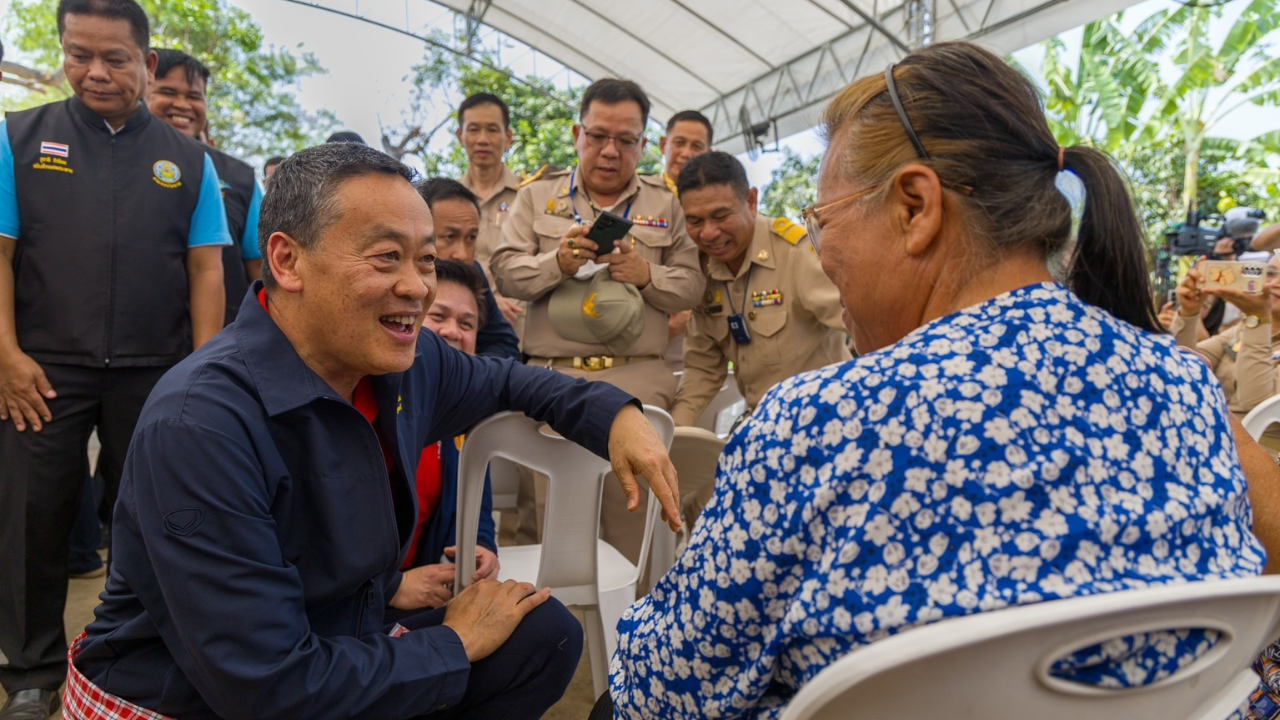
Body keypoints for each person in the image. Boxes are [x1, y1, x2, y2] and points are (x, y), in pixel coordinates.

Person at [608, 41, 1265, 718]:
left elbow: (657, 696)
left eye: (824, 220)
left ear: (915, 206)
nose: (822, 250)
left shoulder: (814, 424)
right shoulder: (1185, 387)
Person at [65, 141, 681, 720]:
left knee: (542, 635)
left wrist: (616, 416)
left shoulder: (403, 360)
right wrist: (453, 643)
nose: (415, 287)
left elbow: (508, 382)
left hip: (333, 640)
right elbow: (263, 683)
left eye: (426, 260)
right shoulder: (199, 424)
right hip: (199, 695)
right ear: (287, 260)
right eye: (386, 257)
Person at [0, 2, 231, 717]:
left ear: (148, 63)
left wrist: (201, 376)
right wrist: (4, 354)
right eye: (79, 55)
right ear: (63, 52)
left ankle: (135, 654)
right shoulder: (18, 139)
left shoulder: (190, 162)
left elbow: (206, 272)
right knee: (32, 519)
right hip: (42, 371)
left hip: (157, 374)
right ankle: (31, 674)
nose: (95, 72)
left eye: (115, 58)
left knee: (157, 517)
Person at [491, 78, 704, 561]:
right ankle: (554, 632)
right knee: (552, 529)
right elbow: (504, 272)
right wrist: (557, 264)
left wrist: (646, 274)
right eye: (598, 136)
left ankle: (633, 623)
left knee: (635, 531)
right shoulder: (535, 196)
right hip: (552, 380)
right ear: (576, 135)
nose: (610, 151)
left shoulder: (665, 205)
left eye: (626, 140)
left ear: (644, 144)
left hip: (639, 380)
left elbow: (694, 284)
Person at [670, 151, 849, 428]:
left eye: (720, 216)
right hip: (763, 427)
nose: (708, 233)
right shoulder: (702, 271)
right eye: (694, 221)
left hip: (826, 418)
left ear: (751, 201)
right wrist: (672, 435)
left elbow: (862, 322)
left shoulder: (795, 254)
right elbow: (702, 369)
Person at [388, 260, 499, 620]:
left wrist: (481, 547)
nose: (453, 332)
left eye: (466, 324)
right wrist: (391, 587)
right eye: (439, 316)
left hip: (420, 602)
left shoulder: (465, 418)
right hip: (347, 610)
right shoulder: (371, 400)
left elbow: (477, 510)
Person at [147, 48, 264, 326]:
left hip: (222, 352)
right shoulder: (117, 161)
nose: (182, 105)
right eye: (168, 92)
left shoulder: (240, 178)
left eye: (194, 96)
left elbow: (261, 272)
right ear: (143, 89)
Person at [1170, 253, 1280, 445]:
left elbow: (1255, 402)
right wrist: (1188, 312)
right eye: (1270, 273)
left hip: (1260, 459)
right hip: (1210, 438)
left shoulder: (1253, 324)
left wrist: (1257, 319)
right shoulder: (1242, 328)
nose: (1274, 283)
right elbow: (1179, 363)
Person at [455, 92, 535, 329]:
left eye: (492, 129)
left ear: (508, 137)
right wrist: (489, 303)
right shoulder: (446, 200)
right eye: (473, 129)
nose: (482, 139)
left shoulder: (531, 196)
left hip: (519, 326)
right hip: (460, 327)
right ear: (460, 136)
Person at [417, 177, 519, 360]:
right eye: (450, 236)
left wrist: (469, 372)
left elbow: (504, 346)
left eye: (471, 238)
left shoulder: (474, 274)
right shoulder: (397, 276)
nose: (462, 254)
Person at [641, 110, 712, 373]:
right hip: (642, 330)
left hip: (702, 328)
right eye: (679, 143)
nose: (686, 153)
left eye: (697, 146)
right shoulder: (638, 198)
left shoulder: (720, 204)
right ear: (663, 145)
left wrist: (688, 312)